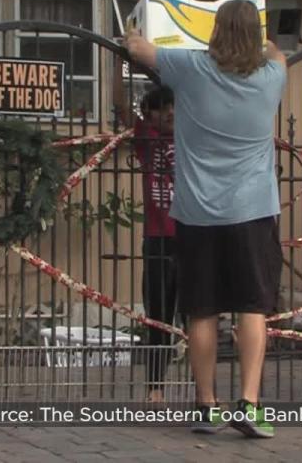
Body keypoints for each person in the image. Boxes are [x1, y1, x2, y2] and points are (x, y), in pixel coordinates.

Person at [124, 0, 287, 439]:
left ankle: (206, 405)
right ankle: (250, 404)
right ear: (254, 33)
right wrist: (264, 44)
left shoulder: (190, 68)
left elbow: (138, 50)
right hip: (253, 211)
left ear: (214, 30)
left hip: (196, 214)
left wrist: (132, 28)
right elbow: (277, 52)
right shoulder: (272, 77)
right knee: (253, 308)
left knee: (202, 311)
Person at [112, 81, 180, 403]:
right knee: (158, 319)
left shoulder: (191, 136)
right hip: (158, 240)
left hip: (192, 237)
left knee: (199, 316)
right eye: (161, 107)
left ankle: (203, 390)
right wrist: (119, 61)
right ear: (148, 114)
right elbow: (120, 106)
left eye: (173, 106)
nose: (169, 113)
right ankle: (156, 388)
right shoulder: (147, 140)